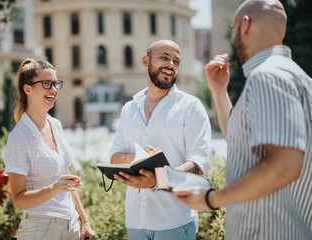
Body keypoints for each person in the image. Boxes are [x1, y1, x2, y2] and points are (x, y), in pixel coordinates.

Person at [174, 0, 312, 239]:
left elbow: (285, 165)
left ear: (245, 25)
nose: (233, 37)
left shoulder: (267, 76)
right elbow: (242, 142)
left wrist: (211, 199)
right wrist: (219, 92)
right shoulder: (301, 78)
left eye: (232, 29)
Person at [109, 40, 211, 240]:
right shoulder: (129, 108)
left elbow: (199, 162)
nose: (171, 64)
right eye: (164, 57)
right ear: (146, 60)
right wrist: (142, 158)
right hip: (135, 222)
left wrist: (159, 180)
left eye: (176, 61)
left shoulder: (191, 106)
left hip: (175, 221)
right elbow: (114, 156)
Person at [3, 59, 95, 240]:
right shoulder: (18, 138)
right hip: (41, 229)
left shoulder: (56, 125)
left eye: (56, 83)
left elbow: (65, 178)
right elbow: (18, 201)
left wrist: (84, 220)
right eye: (46, 83)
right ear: (27, 89)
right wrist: (53, 188)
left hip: (72, 225)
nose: (53, 89)